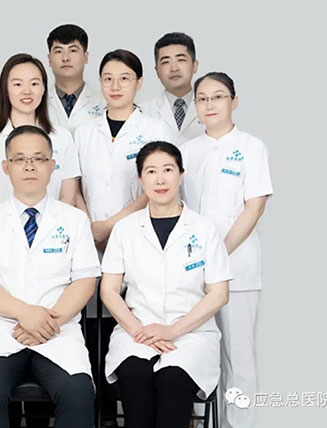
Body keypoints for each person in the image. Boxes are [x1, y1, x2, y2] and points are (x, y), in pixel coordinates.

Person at [0, 126, 100, 428]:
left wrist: (46, 322)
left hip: (58, 330)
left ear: (53, 166)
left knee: (77, 392)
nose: (29, 166)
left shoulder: (75, 220)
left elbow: (85, 282)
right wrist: (27, 314)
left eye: (39, 159)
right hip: (3, 330)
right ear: (6, 167)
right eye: (20, 159)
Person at [101, 141, 232, 428]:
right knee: (135, 375)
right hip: (136, 331)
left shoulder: (204, 229)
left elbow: (219, 294)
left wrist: (173, 331)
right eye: (151, 171)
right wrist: (140, 331)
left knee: (172, 379)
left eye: (168, 170)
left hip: (191, 335)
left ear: (181, 175)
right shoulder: (125, 229)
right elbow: (108, 290)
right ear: (140, 179)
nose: (160, 179)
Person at [181, 72, 273, 428]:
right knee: (196, 352)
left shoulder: (251, 147)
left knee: (238, 356)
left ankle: (239, 424)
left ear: (234, 101)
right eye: (202, 98)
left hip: (238, 268)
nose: (210, 104)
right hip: (193, 271)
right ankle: (199, 422)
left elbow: (255, 207)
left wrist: (218, 254)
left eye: (218, 97)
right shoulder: (186, 152)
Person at [75, 49, 171, 252]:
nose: (115, 86)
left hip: (139, 236)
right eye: (108, 79)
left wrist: (108, 226)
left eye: (124, 78)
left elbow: (158, 188)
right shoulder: (84, 132)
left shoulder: (156, 130)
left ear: (139, 83)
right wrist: (89, 228)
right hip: (91, 238)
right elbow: (74, 188)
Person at [0, 53, 81, 212]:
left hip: (52, 226)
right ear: (5, 89)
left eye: (34, 84)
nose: (27, 91)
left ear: (43, 88)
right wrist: (4, 226)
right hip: (0, 226)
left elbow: (67, 197)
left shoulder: (62, 138)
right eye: (18, 84)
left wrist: (47, 226)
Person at [140, 32, 205, 146]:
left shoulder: (212, 108)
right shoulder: (142, 112)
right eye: (165, 62)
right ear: (157, 71)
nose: (174, 68)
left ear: (195, 66)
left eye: (181, 60)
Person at [45, 24, 105, 135]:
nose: (65, 58)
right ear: (49, 59)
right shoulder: (39, 103)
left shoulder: (104, 103)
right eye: (58, 51)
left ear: (85, 57)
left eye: (73, 50)